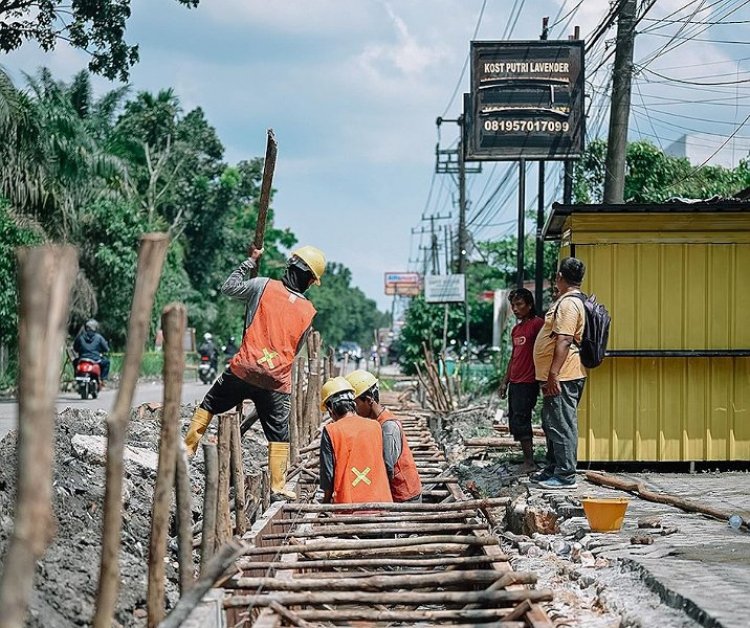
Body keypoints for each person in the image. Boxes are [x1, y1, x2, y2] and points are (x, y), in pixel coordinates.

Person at [184, 244, 326, 502]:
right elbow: (297, 348)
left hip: (244, 368)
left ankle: (187, 449)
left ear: (291, 267)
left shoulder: (262, 286)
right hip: (276, 380)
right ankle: (278, 487)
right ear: (308, 279)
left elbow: (228, 287)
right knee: (279, 435)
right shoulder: (308, 312)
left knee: (209, 404)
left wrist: (250, 261)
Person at [531, 257, 587, 490]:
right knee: (551, 422)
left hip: (563, 375)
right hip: (558, 374)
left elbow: (564, 340)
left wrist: (553, 374)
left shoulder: (568, 304)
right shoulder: (565, 301)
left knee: (562, 424)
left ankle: (565, 476)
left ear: (560, 277)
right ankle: (554, 467)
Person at [345, 369, 422, 502]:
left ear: (369, 400)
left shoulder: (388, 427)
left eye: (356, 404)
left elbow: (387, 468)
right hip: (396, 492)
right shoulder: (376, 421)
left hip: (404, 495)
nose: (354, 409)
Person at [318, 377, 392, 505]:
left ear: (331, 409)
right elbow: (387, 465)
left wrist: (325, 503)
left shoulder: (331, 430)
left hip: (348, 507)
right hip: (381, 503)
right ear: (353, 403)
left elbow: (328, 476)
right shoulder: (375, 426)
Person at [499, 288, 544, 474]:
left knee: (522, 420)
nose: (515, 309)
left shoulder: (537, 325)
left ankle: (530, 462)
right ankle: (527, 459)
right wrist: (504, 382)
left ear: (530, 305)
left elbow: (545, 351)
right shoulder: (516, 330)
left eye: (519, 305)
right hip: (516, 382)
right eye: (513, 305)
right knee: (515, 422)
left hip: (528, 382)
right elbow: (513, 357)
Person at [73, 319, 110, 384]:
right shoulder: (99, 337)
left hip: (82, 359)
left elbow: (75, 348)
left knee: (74, 362)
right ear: (95, 328)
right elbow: (106, 349)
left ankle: (76, 377)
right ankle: (103, 379)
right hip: (96, 360)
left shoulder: (80, 337)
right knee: (106, 362)